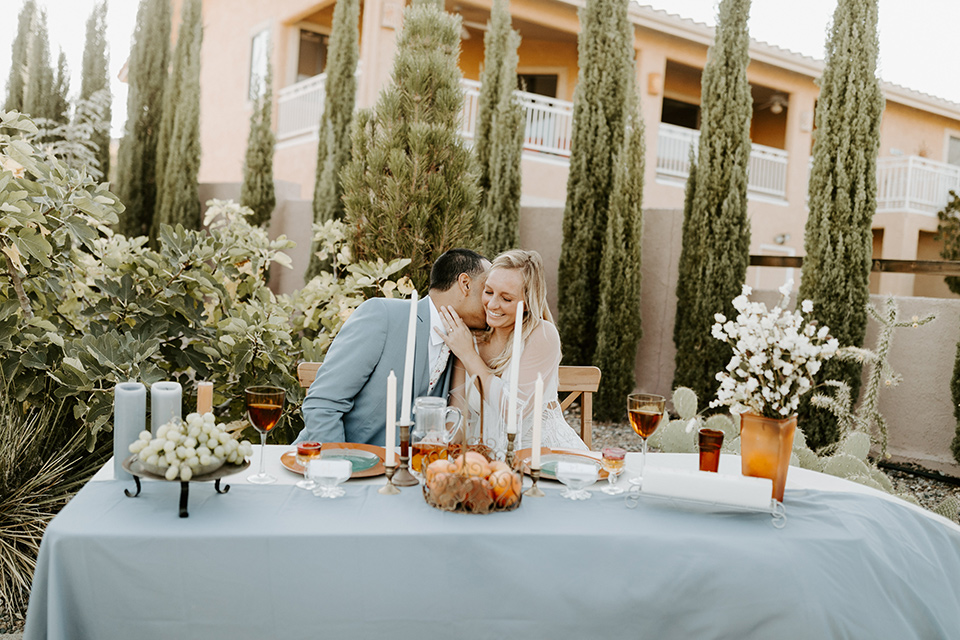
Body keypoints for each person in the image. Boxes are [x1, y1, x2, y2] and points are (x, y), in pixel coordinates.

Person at [297, 249, 491, 445]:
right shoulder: (382, 316)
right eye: (488, 290)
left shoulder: (463, 346)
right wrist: (339, 467)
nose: (492, 302)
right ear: (465, 284)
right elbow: (323, 404)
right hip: (326, 460)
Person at [438, 249, 587, 454]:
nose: (492, 304)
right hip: (487, 460)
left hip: (542, 458)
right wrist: (444, 450)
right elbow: (458, 413)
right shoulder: (470, 338)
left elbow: (512, 411)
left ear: (526, 304)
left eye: (506, 298)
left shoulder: (542, 335)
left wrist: (469, 355)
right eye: (489, 292)